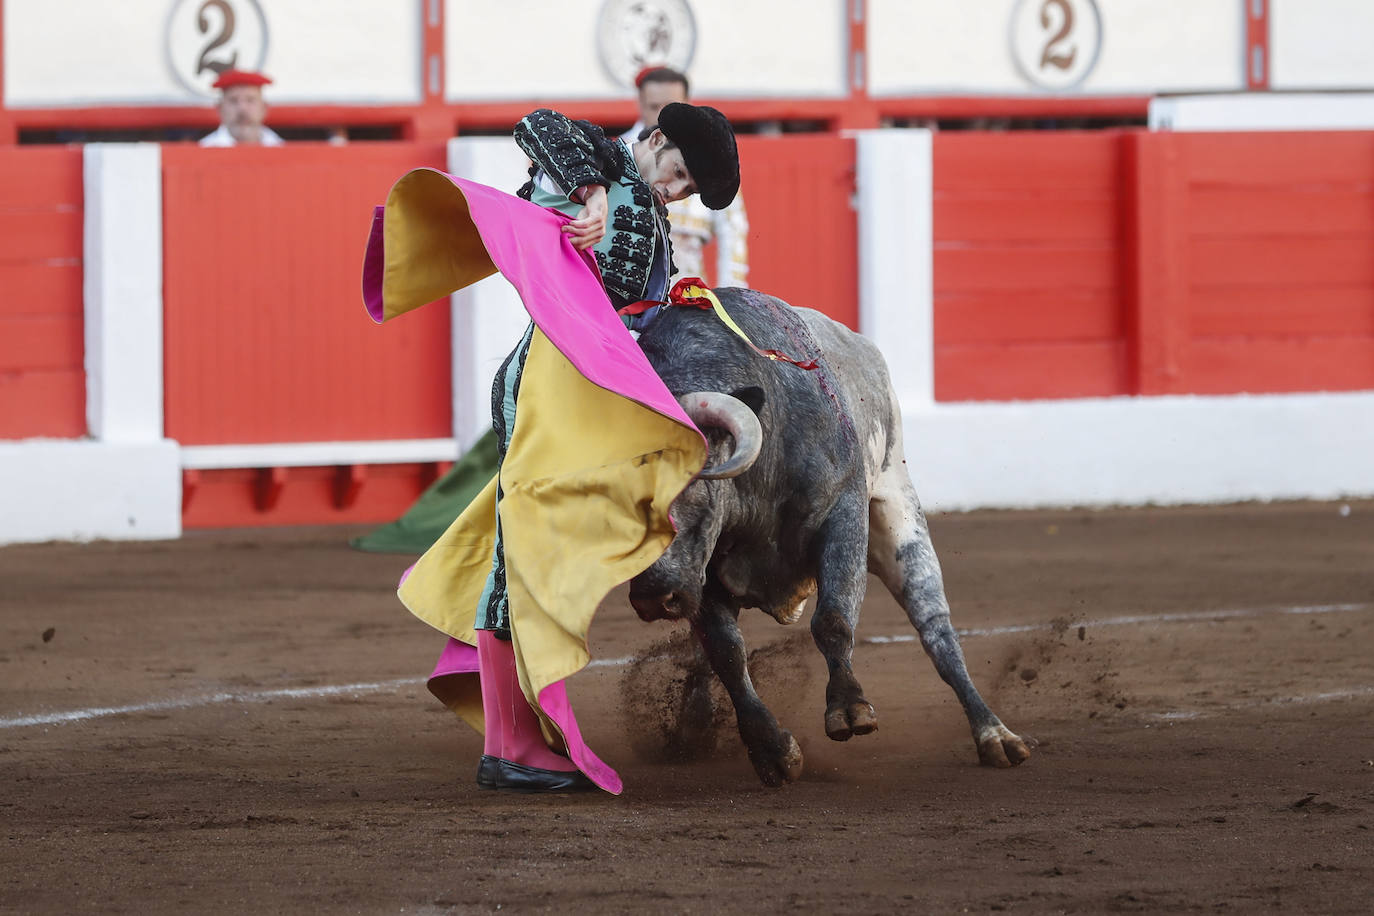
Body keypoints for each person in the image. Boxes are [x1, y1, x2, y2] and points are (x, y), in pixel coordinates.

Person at [361, 103, 740, 794]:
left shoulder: (650, 208)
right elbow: (540, 123)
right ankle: (510, 746)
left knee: (535, 547)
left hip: (585, 393)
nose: (676, 191)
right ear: (656, 138)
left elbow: (631, 301)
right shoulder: (592, 170)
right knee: (523, 551)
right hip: (545, 384)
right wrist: (590, 189)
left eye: (687, 190)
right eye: (679, 173)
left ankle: (516, 736)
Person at [623, 67, 749, 289]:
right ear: (640, 103)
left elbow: (733, 234)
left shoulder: (711, 162)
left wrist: (730, 296)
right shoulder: (619, 152)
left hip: (687, 289)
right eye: (654, 106)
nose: (660, 114)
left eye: (669, 105)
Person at [198, 69, 284, 147]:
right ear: (220, 108)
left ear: (264, 108)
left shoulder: (281, 148)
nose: (242, 108)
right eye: (233, 100)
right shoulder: (202, 150)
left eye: (250, 100)